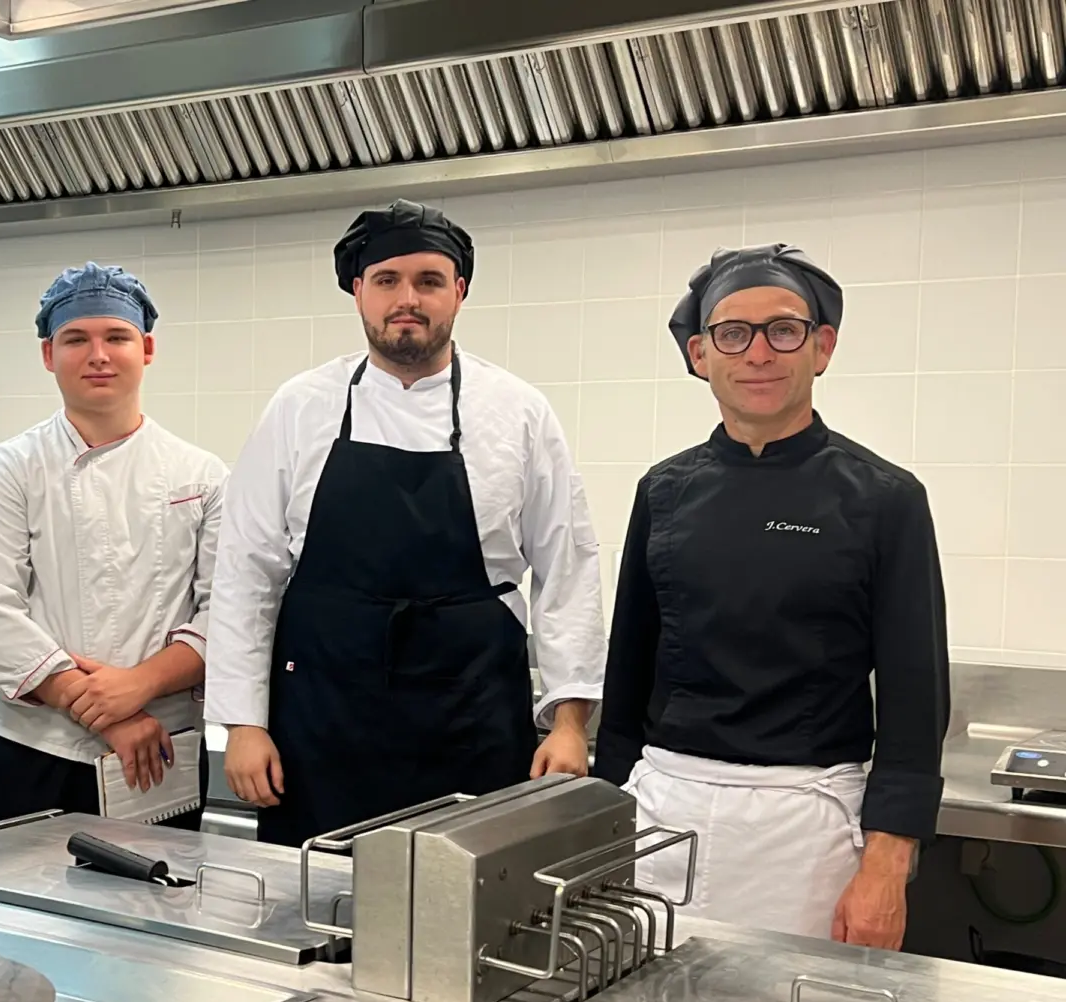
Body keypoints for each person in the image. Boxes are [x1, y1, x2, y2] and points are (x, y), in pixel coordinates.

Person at [205, 199, 606, 848]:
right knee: (316, 911)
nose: (407, 299)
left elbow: (569, 569)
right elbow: (247, 572)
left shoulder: (518, 411)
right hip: (323, 721)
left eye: (429, 281)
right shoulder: (300, 407)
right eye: (387, 280)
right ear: (358, 291)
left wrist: (568, 723)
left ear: (460, 292)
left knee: (465, 913)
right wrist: (243, 725)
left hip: (470, 716)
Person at [593, 243, 949, 951]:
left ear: (822, 347)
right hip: (666, 811)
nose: (758, 352)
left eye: (783, 330)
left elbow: (915, 701)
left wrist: (887, 862)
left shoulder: (885, 499)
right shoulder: (664, 492)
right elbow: (626, 677)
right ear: (700, 354)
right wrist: (604, 821)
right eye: (733, 333)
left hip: (807, 828)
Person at [0, 263, 226, 830]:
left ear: (146, 348)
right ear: (49, 355)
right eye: (76, 339)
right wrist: (108, 714)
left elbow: (225, 614)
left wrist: (139, 685)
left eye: (117, 337)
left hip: (160, 752)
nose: (98, 355)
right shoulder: (10, 468)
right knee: (23, 914)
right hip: (34, 752)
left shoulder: (201, 474)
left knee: (152, 911)